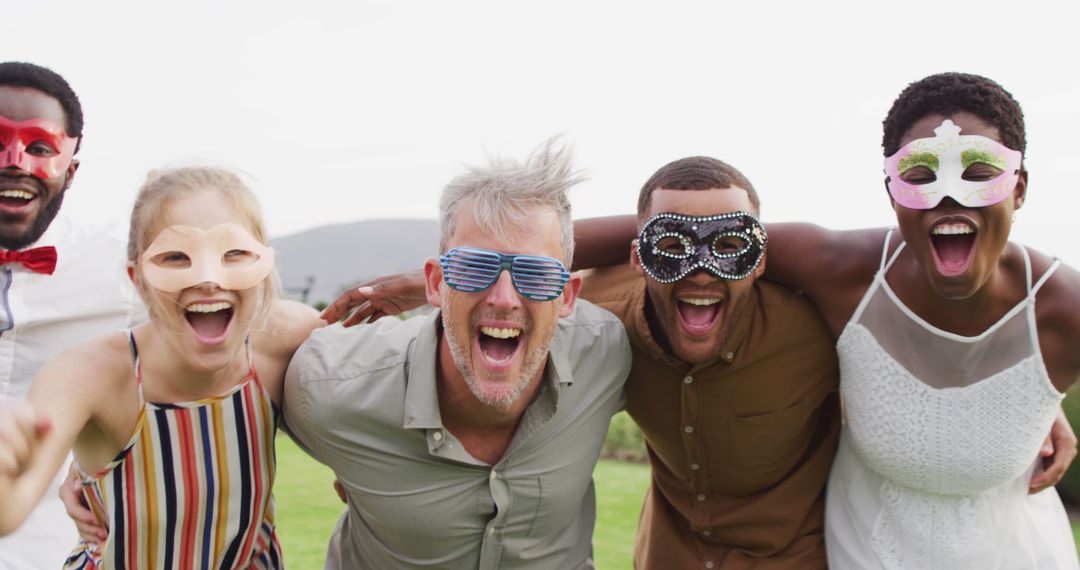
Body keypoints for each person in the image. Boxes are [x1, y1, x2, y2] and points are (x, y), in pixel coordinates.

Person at [322, 156, 842, 568]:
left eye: (730, 246)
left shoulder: (815, 326)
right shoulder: (601, 324)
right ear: (638, 255)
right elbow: (529, 264)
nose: (701, 271)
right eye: (670, 246)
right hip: (668, 558)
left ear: (762, 256)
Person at [763, 72, 1080, 568]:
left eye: (978, 174)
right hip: (864, 549)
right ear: (891, 190)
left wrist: (1038, 395)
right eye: (920, 175)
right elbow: (679, 230)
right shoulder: (844, 270)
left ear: (1019, 187)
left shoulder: (1065, 309)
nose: (947, 195)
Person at [284, 139, 631, 568]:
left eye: (537, 274)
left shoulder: (606, 351)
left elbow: (691, 228)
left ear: (568, 295)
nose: (504, 299)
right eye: (473, 268)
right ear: (434, 283)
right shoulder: (330, 386)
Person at [0, 166, 321, 568]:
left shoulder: (287, 336)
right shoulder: (89, 374)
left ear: (264, 263)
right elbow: (11, 506)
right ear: (138, 279)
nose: (209, 280)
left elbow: (384, 386)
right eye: (175, 256)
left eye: (234, 253)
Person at [0, 61, 142, 569]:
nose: (15, 162)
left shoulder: (123, 267)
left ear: (71, 168)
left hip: (58, 549)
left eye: (40, 147)